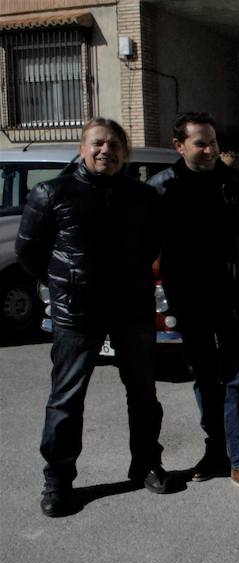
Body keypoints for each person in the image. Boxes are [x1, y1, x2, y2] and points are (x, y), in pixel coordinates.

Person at [16, 117, 174, 517]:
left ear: (126, 152)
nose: (107, 150)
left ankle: (146, 465)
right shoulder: (51, 192)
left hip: (132, 311)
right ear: (83, 148)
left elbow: (153, 245)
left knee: (143, 395)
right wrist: (65, 282)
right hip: (76, 314)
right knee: (66, 400)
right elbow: (29, 252)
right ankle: (57, 482)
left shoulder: (142, 197)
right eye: (98, 144)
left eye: (115, 145)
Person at [148, 112, 239, 498]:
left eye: (213, 142)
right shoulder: (161, 189)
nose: (210, 149)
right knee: (205, 380)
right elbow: (142, 247)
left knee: (236, 379)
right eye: (201, 143)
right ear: (179, 146)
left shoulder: (238, 185)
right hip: (190, 302)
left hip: (234, 300)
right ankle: (216, 452)